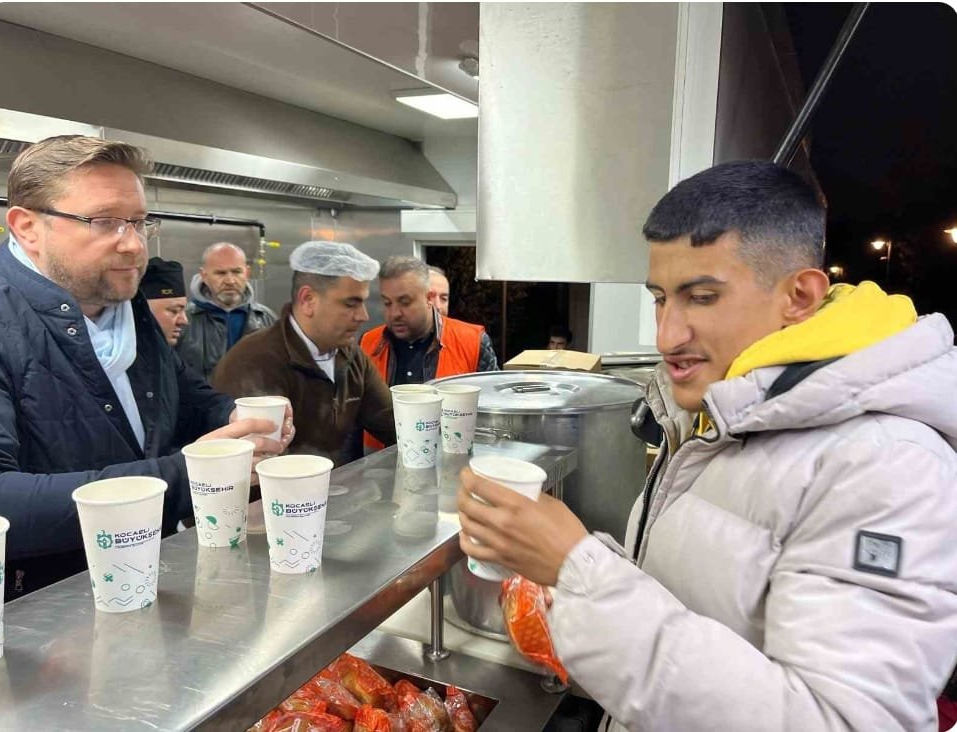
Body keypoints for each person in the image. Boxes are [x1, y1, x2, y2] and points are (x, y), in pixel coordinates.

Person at [457, 160, 957, 731]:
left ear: (800, 295)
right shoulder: (724, 411)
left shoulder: (888, 465)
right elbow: (700, 600)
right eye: (660, 299)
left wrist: (581, 570)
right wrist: (567, 583)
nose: (667, 335)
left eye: (701, 297)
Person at [0, 135, 294, 600]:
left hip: (152, 576)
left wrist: (236, 420)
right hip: (48, 610)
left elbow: (183, 396)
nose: (132, 245)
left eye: (138, 222)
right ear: (27, 227)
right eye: (105, 222)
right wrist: (188, 476)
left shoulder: (125, 309)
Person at [213, 240, 395, 467]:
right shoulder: (255, 363)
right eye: (351, 304)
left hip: (326, 493)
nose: (363, 316)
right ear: (308, 300)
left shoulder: (350, 357)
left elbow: (393, 424)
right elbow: (268, 465)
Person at [360, 256, 498, 450]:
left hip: (453, 467)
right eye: (387, 303)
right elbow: (352, 424)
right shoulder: (368, 344)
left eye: (404, 302)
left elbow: (493, 420)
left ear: (428, 298)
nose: (394, 313)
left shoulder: (473, 341)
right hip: (379, 471)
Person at [176, 242, 277, 381]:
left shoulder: (266, 318)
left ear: (247, 273)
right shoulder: (183, 320)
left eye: (236, 272)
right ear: (204, 276)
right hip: (203, 402)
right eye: (220, 273)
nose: (230, 281)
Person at [141, 256, 189, 347]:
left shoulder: (169, 356)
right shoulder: (124, 358)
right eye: (174, 311)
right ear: (144, 311)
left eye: (183, 311)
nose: (184, 321)